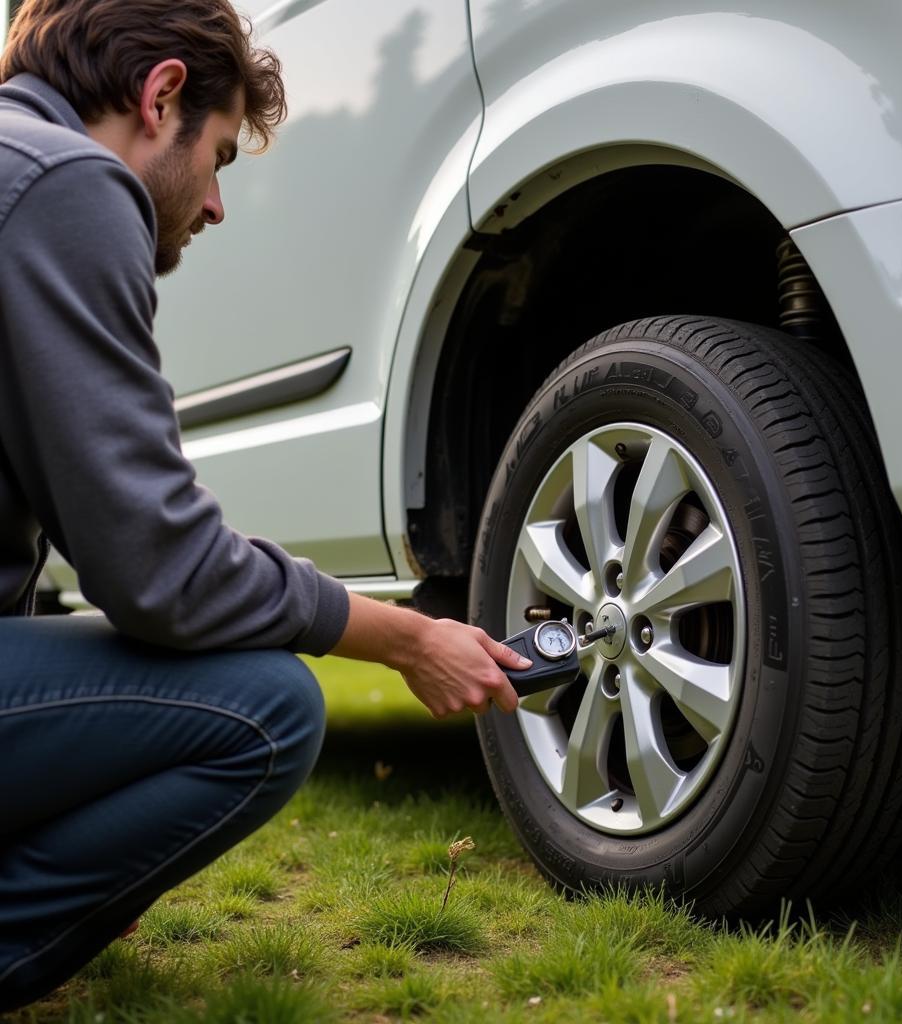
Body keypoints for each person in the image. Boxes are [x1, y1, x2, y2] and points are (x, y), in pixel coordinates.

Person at [0, 0, 528, 1010]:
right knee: (264, 705)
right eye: (222, 157)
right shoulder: (62, 183)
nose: (213, 206)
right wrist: (405, 637)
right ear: (161, 97)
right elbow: (160, 570)